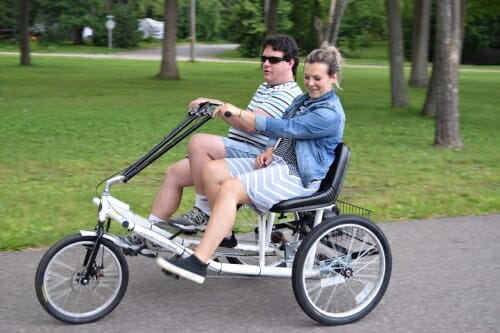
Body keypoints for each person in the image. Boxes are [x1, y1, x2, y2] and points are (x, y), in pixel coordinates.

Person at [157, 46, 346, 284]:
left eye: (317, 78)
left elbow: (285, 128)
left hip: (298, 176)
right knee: (212, 171)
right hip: (278, 163)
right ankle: (223, 234)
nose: (310, 83)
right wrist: (268, 148)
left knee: (230, 188)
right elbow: (282, 124)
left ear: (333, 77)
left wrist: (237, 112)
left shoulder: (329, 113)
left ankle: (198, 262)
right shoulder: (303, 100)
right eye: (307, 77)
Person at [147, 34, 302, 235]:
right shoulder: (267, 87)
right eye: (263, 59)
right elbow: (241, 118)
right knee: (174, 173)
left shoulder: (288, 93)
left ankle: (204, 212)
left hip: (256, 156)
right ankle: (150, 232)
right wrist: (215, 105)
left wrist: (219, 106)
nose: (266, 64)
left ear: (290, 63)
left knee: (199, 143)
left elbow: (252, 125)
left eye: (273, 60)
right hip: (238, 148)